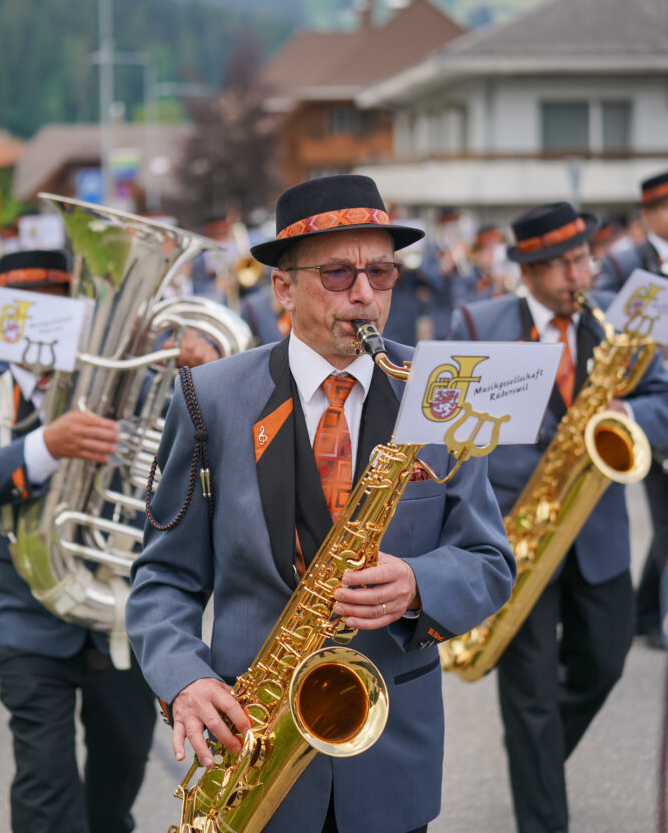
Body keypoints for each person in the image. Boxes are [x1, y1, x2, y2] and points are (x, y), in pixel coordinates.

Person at [126, 174, 516, 833]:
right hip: (252, 746)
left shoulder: (441, 390)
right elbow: (164, 576)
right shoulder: (208, 398)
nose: (364, 295)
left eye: (381, 273)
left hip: (391, 756)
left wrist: (419, 583)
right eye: (336, 274)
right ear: (282, 287)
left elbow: (489, 560)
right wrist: (186, 679)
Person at [447, 201, 668, 833]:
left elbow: (663, 402)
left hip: (596, 535)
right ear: (531, 270)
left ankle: (534, 761)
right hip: (512, 538)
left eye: (585, 258)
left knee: (606, 663)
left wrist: (631, 419)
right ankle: (542, 810)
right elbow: (446, 431)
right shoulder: (477, 322)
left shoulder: (615, 328)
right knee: (531, 698)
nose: (582, 274)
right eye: (566, 264)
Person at [0, 247, 219, 833]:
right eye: (27, 307)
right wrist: (45, 445)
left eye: (59, 305)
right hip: (29, 624)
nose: (44, 318)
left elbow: (203, 446)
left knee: (119, 779)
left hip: (121, 622)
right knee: (43, 785)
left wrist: (199, 369)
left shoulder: (134, 382)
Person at [595, 169, 668, 649]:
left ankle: (646, 611)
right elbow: (600, 327)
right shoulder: (624, 266)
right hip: (644, 403)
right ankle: (652, 616)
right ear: (648, 213)